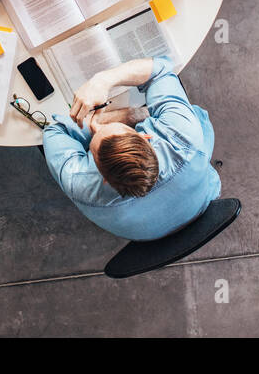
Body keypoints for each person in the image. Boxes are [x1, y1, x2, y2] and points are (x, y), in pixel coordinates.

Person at [42, 57, 220, 241]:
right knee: (192, 116)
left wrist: (104, 119)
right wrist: (123, 106)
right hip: (201, 203)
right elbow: (160, 69)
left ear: (102, 177)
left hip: (149, 235)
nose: (98, 129)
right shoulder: (185, 138)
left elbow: (55, 130)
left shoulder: (80, 184)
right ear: (145, 137)